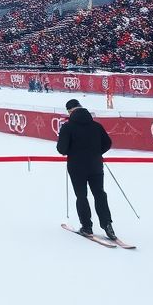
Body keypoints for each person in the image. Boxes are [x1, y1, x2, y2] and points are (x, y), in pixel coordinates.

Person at [56, 98, 115, 240]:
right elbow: (107, 143)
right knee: (100, 194)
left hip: (76, 167)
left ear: (70, 111)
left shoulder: (67, 127)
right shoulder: (96, 126)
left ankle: (87, 226)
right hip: (95, 165)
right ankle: (107, 225)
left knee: (81, 196)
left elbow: (62, 149)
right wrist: (95, 153)